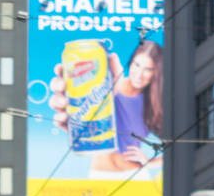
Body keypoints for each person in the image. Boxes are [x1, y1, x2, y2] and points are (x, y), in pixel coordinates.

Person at [49, 41, 164, 177]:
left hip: (136, 176)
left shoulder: (154, 104)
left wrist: (150, 162)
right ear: (131, 63)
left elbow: (181, 145)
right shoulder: (109, 86)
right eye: (137, 65)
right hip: (99, 175)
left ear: (156, 73)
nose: (139, 74)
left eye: (148, 69)